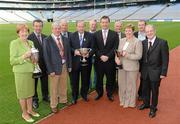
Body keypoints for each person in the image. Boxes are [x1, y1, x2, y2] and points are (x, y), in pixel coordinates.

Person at [10, 24, 40, 123]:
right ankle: (24, 113)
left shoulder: (30, 42)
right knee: (23, 94)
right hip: (21, 73)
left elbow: (33, 57)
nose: (24, 33)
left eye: (26, 31)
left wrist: (34, 58)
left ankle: (30, 110)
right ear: (18, 33)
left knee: (30, 93)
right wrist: (24, 56)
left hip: (30, 71)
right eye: (21, 31)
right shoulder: (14, 43)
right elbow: (12, 61)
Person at [138, 24, 169, 118]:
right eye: (147, 31)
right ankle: (146, 103)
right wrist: (140, 70)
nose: (149, 33)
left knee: (154, 91)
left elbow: (165, 59)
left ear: (154, 31)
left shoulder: (162, 42)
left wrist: (163, 73)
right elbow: (141, 58)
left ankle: (153, 108)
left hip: (156, 72)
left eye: (151, 31)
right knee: (145, 89)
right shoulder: (143, 42)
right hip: (144, 71)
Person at [43, 22, 72, 113]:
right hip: (53, 68)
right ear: (52, 29)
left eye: (58, 28)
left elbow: (68, 54)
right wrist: (50, 70)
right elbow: (46, 56)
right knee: (54, 88)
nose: (57, 30)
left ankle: (63, 100)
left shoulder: (65, 39)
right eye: (55, 28)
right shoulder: (47, 40)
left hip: (64, 66)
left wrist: (69, 65)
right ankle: (53, 105)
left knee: (63, 85)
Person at [115, 24, 142, 108]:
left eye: (129, 31)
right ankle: (122, 100)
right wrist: (117, 59)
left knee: (131, 85)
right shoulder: (122, 40)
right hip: (121, 66)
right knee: (122, 84)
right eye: (126, 31)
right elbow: (118, 52)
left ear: (133, 31)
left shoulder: (137, 41)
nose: (128, 32)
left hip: (132, 67)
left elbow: (139, 56)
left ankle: (130, 102)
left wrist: (127, 55)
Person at [94, 16, 119, 101]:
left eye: (106, 22)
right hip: (99, 61)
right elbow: (95, 48)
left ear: (109, 23)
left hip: (110, 61)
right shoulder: (96, 34)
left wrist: (108, 56)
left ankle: (109, 94)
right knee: (99, 79)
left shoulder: (114, 34)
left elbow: (115, 47)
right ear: (100, 23)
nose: (104, 24)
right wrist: (101, 56)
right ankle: (99, 93)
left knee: (110, 79)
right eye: (103, 22)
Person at [69, 20, 94, 104]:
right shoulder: (72, 36)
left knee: (85, 80)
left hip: (86, 62)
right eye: (79, 26)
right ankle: (74, 97)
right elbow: (69, 47)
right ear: (76, 27)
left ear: (85, 27)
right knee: (74, 81)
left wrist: (89, 54)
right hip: (75, 63)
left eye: (82, 26)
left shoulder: (90, 35)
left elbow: (93, 48)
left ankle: (84, 95)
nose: (81, 28)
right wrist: (74, 51)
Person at [28, 19, 49, 109]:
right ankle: (35, 99)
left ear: (42, 27)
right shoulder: (29, 38)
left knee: (45, 82)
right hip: (34, 66)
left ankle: (45, 96)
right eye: (36, 26)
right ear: (33, 26)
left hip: (44, 65)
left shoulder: (46, 37)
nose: (38, 28)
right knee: (34, 84)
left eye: (40, 26)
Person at [134, 20, 147, 100]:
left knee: (143, 78)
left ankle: (141, 93)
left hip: (145, 60)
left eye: (142, 25)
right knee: (133, 77)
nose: (141, 26)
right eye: (139, 25)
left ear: (145, 26)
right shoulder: (134, 34)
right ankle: (131, 93)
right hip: (135, 60)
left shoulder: (148, 34)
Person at [89, 19, 97, 90]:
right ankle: (89, 86)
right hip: (88, 57)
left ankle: (95, 85)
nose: (93, 26)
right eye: (92, 24)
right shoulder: (86, 34)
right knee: (87, 72)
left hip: (97, 57)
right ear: (89, 25)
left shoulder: (99, 34)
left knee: (96, 72)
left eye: (94, 24)